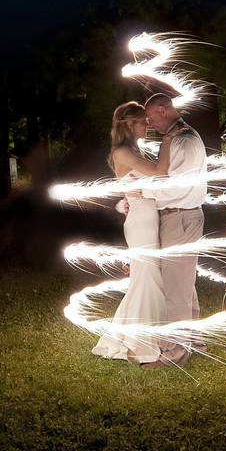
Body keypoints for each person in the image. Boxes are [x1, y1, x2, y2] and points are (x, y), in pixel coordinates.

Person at [91, 101, 180, 364]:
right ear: (130, 124)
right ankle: (140, 342)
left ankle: (138, 336)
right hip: (141, 220)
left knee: (147, 277)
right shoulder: (122, 152)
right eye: (143, 121)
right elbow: (159, 172)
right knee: (147, 277)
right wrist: (168, 140)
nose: (148, 124)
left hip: (147, 215)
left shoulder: (133, 150)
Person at [139, 92, 207, 368]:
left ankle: (175, 352)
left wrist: (141, 193)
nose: (149, 122)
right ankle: (196, 340)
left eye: (151, 116)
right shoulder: (179, 138)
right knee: (184, 283)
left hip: (179, 216)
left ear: (164, 109)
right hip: (182, 217)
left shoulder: (184, 140)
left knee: (176, 288)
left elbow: (174, 186)